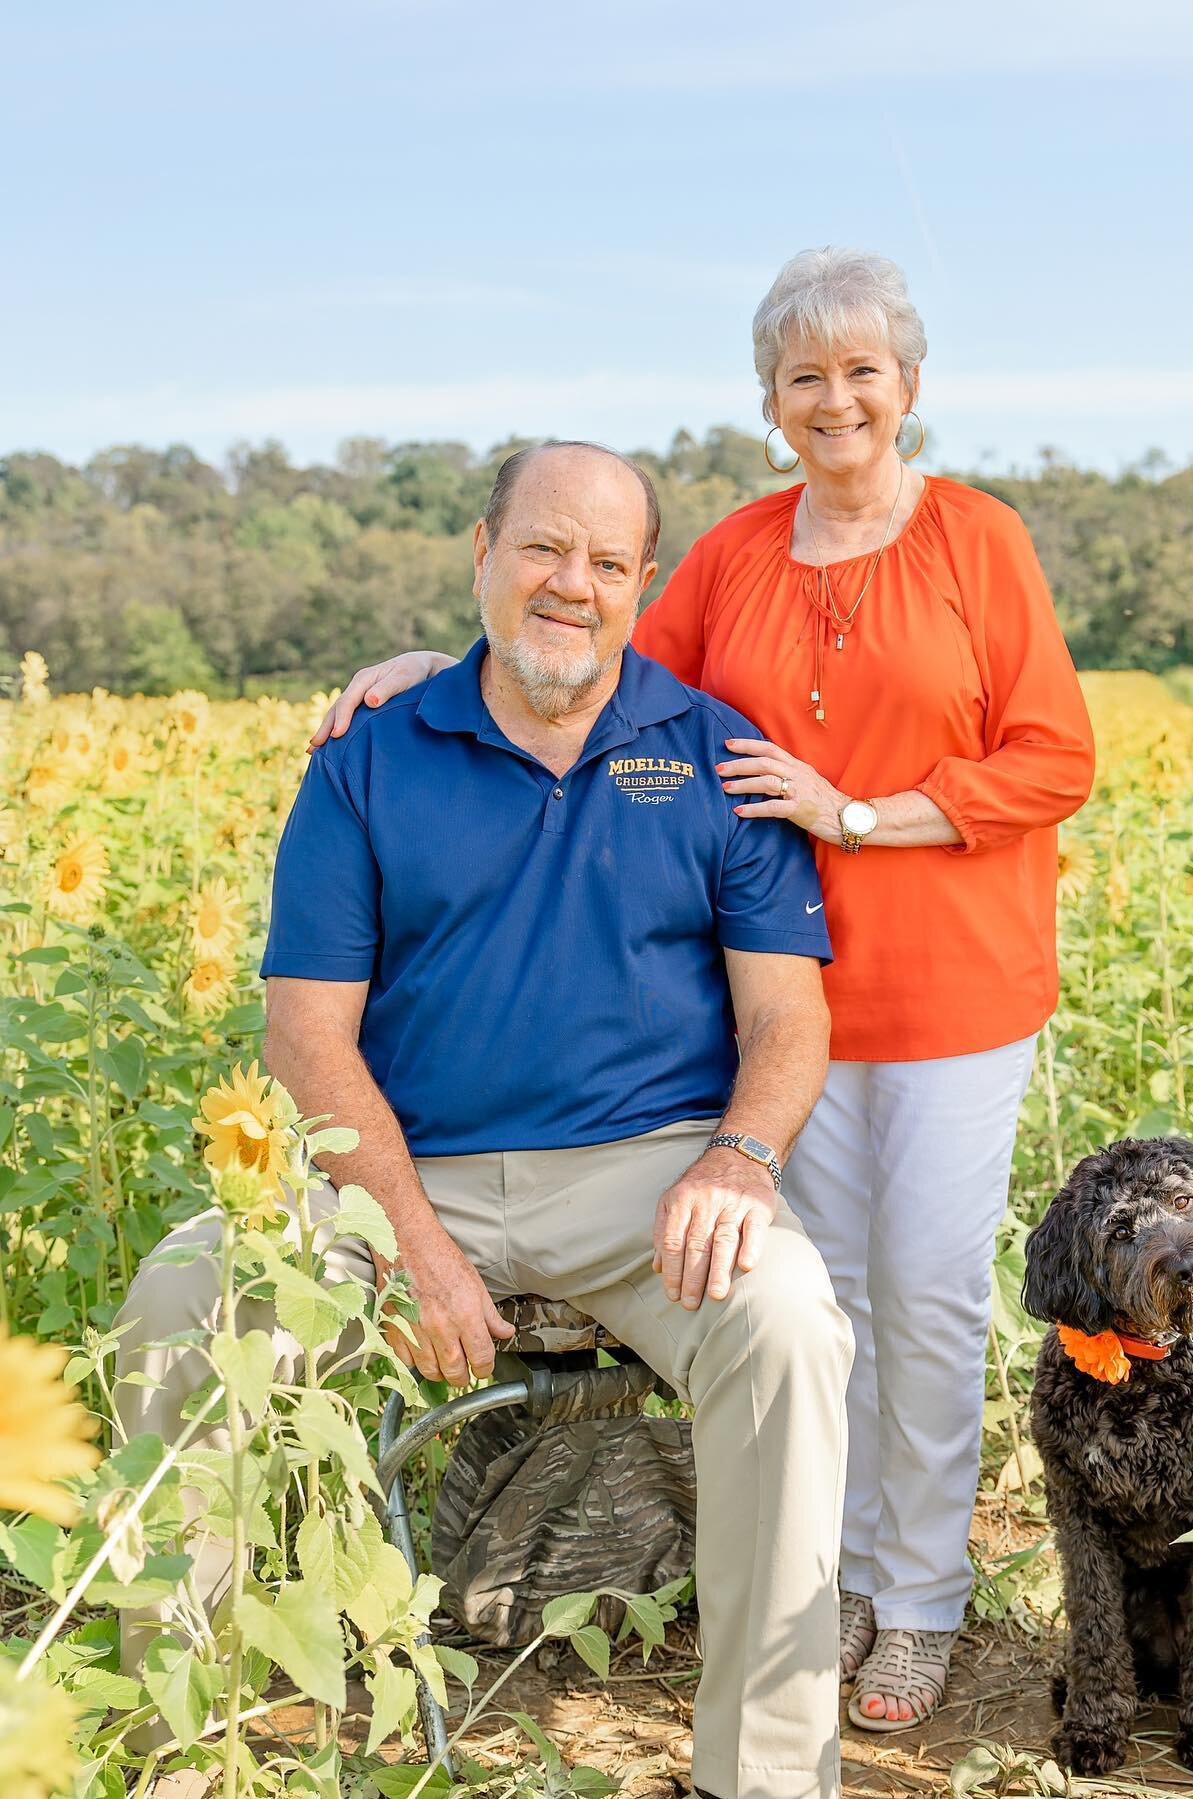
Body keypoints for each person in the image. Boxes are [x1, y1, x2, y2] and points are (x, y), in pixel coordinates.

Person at [316, 247, 1096, 1732]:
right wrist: (439, 657)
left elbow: (1054, 759)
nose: (836, 399)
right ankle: (840, 1582)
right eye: (805, 376)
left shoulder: (978, 541)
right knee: (824, 1303)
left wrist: (854, 813)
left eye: (863, 371)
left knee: (926, 1301)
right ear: (770, 403)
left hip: (945, 991)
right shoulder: (732, 553)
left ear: (908, 390)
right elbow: (587, 656)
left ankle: (921, 1594)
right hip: (762, 1018)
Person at [116, 441, 853, 1799]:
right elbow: (305, 1034)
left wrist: (740, 1161)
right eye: (542, 550)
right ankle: (176, 1733)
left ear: (643, 584)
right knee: (182, 1297)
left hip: (647, 1179)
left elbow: (788, 1020)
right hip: (401, 1170)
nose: (571, 586)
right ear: (480, 553)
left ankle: (767, 1776)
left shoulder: (714, 758)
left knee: (789, 1325)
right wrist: (405, 1234)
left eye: (607, 563)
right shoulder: (369, 760)